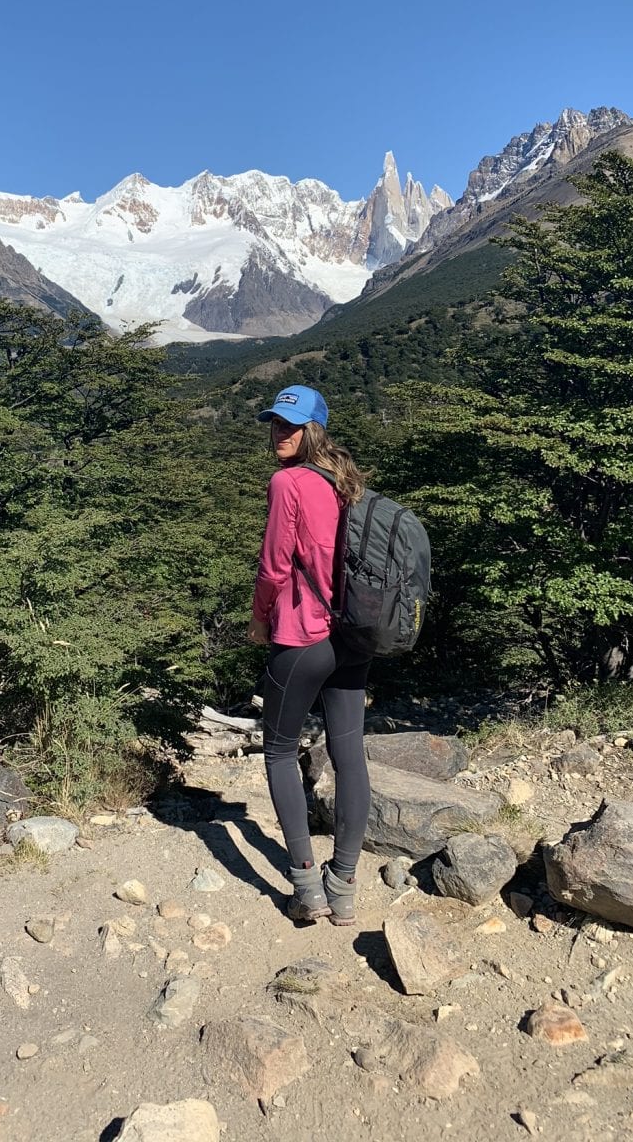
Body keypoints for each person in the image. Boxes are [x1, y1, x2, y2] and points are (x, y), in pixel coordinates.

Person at [246, 385, 371, 925]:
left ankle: (306, 887)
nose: (280, 432)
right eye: (275, 422)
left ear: (312, 429)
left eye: (289, 425)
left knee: (278, 751)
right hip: (351, 636)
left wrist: (258, 618)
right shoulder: (345, 481)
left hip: (302, 636)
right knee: (349, 755)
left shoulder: (287, 482)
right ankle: (342, 885)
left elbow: (275, 564)